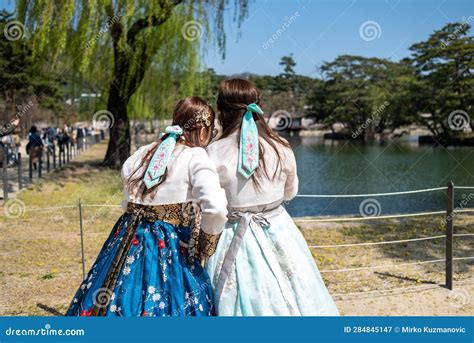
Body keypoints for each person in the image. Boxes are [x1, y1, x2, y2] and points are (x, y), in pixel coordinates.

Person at [66, 97, 228, 317]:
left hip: (126, 237)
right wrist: (205, 245)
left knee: (117, 293)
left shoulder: (143, 152)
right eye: (210, 132)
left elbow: (128, 191)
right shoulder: (195, 157)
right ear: (201, 130)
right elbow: (216, 208)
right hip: (170, 244)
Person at [205, 79, 339, 316]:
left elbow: (209, 204)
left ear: (222, 111)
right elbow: (291, 192)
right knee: (296, 292)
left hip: (231, 232)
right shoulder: (281, 146)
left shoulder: (212, 152)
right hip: (278, 228)